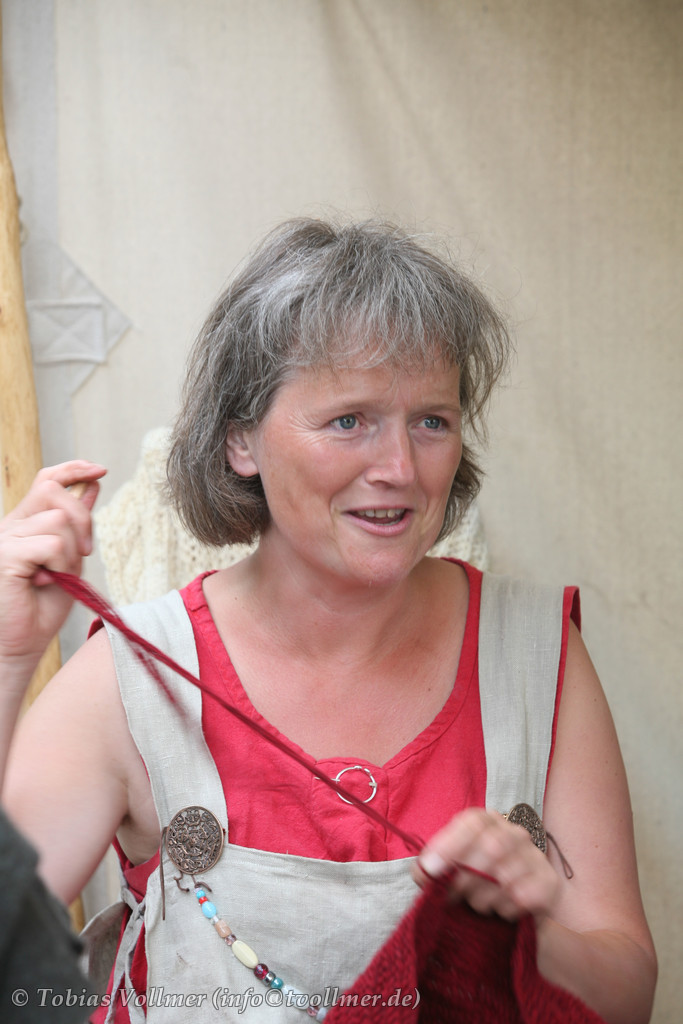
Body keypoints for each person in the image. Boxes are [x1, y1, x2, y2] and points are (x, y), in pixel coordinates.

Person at [0, 218, 656, 1023]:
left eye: (431, 420)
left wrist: (527, 936)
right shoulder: (128, 679)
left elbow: (629, 995)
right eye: (349, 420)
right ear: (241, 442)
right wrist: (6, 658)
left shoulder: (535, 657)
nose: (400, 469)